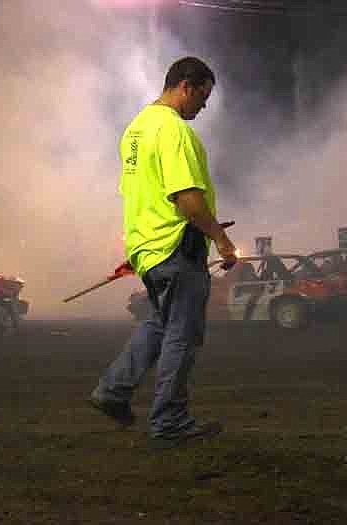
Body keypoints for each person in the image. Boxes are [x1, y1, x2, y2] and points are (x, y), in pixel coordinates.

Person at [89, 57, 237, 449]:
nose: (203, 107)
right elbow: (187, 197)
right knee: (182, 334)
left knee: (158, 324)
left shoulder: (135, 130)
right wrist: (219, 238)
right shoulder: (173, 131)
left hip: (147, 247)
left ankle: (113, 391)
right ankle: (169, 421)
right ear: (186, 86)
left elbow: (142, 193)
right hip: (176, 246)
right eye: (202, 97)